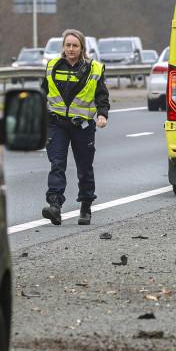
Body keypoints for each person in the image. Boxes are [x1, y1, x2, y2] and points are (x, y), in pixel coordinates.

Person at [41, 29, 109, 225]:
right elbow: (42, 91)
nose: (71, 49)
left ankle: (86, 206)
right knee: (57, 165)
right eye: (67, 45)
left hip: (82, 126)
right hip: (56, 124)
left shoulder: (93, 69)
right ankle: (55, 207)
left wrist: (103, 114)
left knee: (84, 168)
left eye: (75, 46)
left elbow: (101, 95)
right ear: (63, 47)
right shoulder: (53, 66)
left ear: (82, 48)